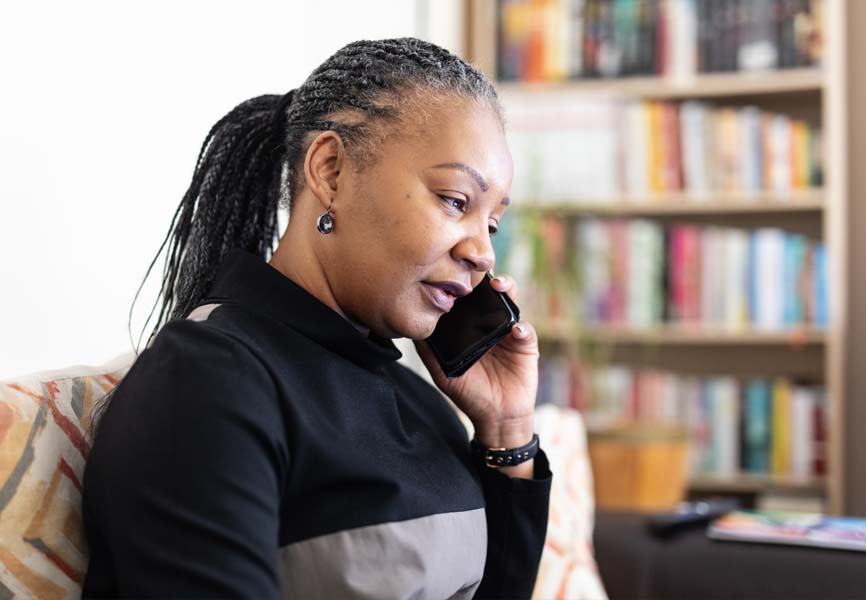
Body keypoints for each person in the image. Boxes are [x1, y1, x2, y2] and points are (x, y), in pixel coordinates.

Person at [81, 37, 552, 599]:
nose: (483, 252)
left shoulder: (424, 404)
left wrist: (507, 429)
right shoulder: (208, 381)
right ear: (330, 171)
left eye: (492, 223)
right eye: (455, 201)